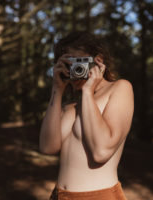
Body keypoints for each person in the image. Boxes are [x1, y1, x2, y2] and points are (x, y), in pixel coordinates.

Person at [39, 31, 134, 200]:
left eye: (77, 62)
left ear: (98, 60)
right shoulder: (70, 106)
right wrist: (57, 89)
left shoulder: (120, 88)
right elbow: (48, 147)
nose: (73, 70)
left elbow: (101, 151)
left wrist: (88, 91)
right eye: (67, 65)